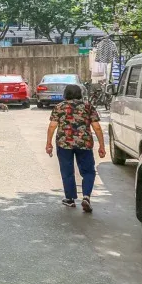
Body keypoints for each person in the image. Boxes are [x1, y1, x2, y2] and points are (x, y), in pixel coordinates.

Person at [45, 84, 106, 212]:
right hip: (84, 144)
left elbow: (52, 126)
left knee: (67, 171)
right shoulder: (88, 107)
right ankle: (86, 196)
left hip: (64, 144)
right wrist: (102, 145)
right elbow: (97, 127)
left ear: (65, 94)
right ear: (80, 94)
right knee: (88, 171)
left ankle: (70, 199)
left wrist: (48, 143)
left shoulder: (59, 107)